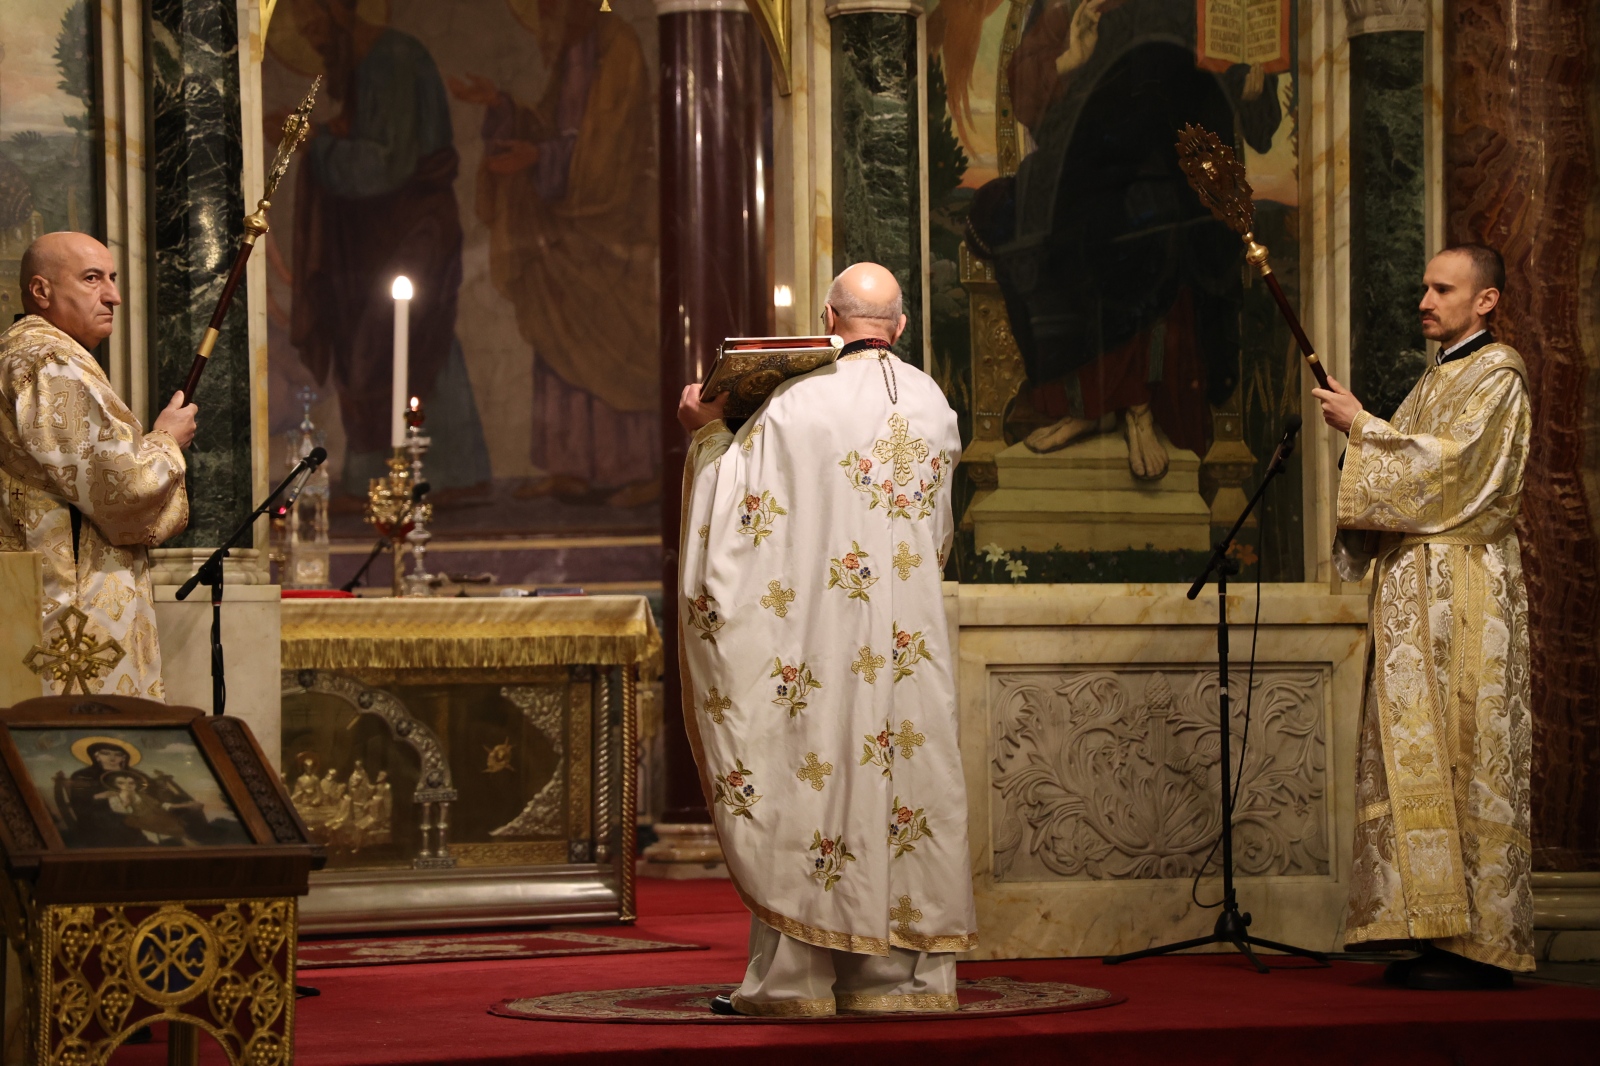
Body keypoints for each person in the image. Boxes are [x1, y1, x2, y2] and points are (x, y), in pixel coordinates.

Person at [677, 263, 977, 1017]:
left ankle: (799, 981)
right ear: (900, 326)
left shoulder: (796, 402)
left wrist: (707, 433)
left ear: (827, 320)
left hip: (820, 640)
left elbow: (739, 522)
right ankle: (901, 981)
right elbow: (938, 534)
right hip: (908, 641)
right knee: (908, 781)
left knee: (815, 778)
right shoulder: (936, 404)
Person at [1313, 243, 1533, 989]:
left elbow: (1455, 469)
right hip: (1416, 597)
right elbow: (1397, 469)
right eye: (1424, 287)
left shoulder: (1498, 375)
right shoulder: (1437, 376)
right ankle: (1431, 926)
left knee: (1468, 749)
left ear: (1486, 300)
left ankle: (1479, 942)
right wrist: (1363, 437)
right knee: (1421, 758)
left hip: (1465, 595)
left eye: (1443, 289)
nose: (1425, 301)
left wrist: (1363, 427)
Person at [975, 0, 1283, 478]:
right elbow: (1030, 96)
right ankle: (1088, 405)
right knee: (1027, 214)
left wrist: (1250, 88)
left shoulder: (1209, 7)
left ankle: (1137, 406)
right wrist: (1071, 59)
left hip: (1173, 167)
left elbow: (1254, 122)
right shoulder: (1072, 7)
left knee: (1141, 223)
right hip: (1086, 160)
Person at [448, 0, 658, 508]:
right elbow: (551, 124)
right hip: (560, 226)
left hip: (608, 223)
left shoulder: (617, 46)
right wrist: (501, 105)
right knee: (558, 335)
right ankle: (572, 466)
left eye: (552, 8)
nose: (546, 21)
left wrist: (539, 157)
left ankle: (637, 468)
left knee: (617, 343)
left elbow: (611, 146)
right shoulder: (574, 49)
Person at [289, 0, 490, 498]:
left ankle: (436, 477)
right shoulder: (365, 65)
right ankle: (384, 480)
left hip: (412, 231)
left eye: (313, 22)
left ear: (338, 11)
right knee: (386, 347)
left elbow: (387, 165)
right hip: (373, 241)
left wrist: (316, 143)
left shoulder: (393, 59)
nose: (312, 37)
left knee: (399, 346)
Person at [0, 232, 194, 698]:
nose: (114, 295)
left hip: (31, 595)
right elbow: (124, 490)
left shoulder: (24, 353)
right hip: (70, 609)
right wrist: (167, 440)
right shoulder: (50, 361)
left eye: (112, 277)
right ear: (41, 291)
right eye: (92, 279)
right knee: (82, 738)